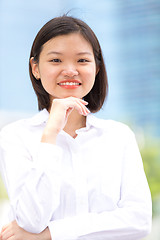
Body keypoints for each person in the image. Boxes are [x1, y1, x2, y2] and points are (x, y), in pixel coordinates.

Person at [0, 15, 152, 240]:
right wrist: (50, 133)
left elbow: (138, 221)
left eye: (82, 60)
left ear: (97, 67)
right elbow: (31, 221)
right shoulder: (16, 136)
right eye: (56, 60)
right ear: (35, 68)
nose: (70, 70)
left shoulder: (119, 137)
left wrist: (52, 234)